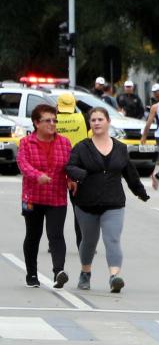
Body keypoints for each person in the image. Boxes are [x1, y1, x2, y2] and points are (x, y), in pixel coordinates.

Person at [66, 107, 149, 292]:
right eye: (93, 120)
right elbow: (70, 167)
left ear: (108, 122)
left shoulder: (120, 148)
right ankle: (85, 272)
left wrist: (140, 192)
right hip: (86, 203)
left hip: (113, 202)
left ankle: (114, 277)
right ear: (90, 123)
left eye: (100, 119)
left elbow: (130, 173)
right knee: (89, 240)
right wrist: (82, 174)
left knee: (112, 239)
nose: (96, 123)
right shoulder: (81, 147)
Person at [17, 104, 71, 288]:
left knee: (56, 234)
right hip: (32, 197)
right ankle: (31, 273)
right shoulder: (26, 143)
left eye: (54, 120)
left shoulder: (64, 142)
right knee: (33, 235)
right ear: (36, 123)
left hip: (57, 197)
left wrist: (72, 179)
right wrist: (37, 175)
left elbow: (69, 166)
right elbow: (23, 164)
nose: (52, 123)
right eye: (47, 120)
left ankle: (59, 272)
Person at [55, 92, 87, 249]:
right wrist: (79, 101)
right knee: (78, 208)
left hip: (56, 168)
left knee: (55, 209)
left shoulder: (52, 121)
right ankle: (81, 242)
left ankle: (54, 241)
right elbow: (95, 110)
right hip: (77, 168)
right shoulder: (82, 118)